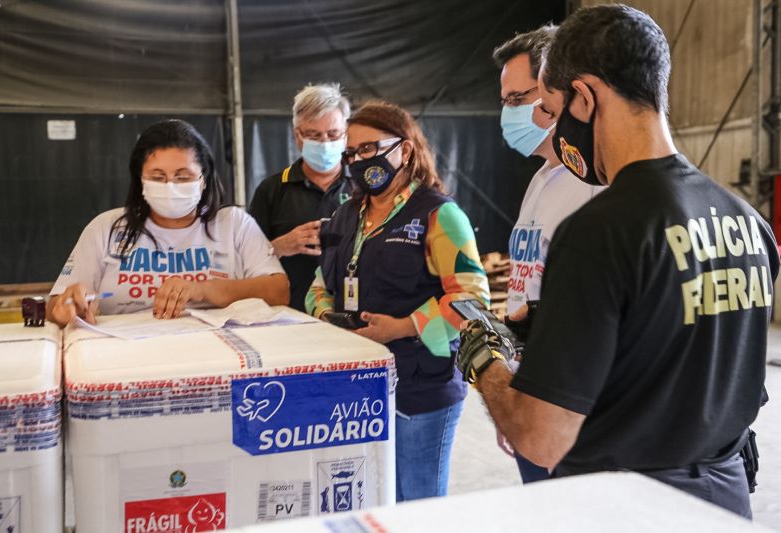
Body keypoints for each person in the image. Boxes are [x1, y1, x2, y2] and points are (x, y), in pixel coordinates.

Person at [457, 4, 778, 519]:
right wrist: (552, 326)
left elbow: (541, 438)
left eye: (555, 109)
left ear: (584, 97)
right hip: (723, 498)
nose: (554, 129)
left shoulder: (598, 231)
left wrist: (483, 362)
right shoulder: (744, 220)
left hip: (625, 507)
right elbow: (690, 341)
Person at [306, 101, 490, 502]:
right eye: (351, 153)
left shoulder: (439, 215)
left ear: (404, 150)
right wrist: (327, 316)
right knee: (370, 501)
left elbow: (471, 299)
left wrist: (402, 327)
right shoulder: (344, 216)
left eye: (369, 149)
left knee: (417, 505)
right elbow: (318, 286)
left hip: (420, 390)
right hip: (356, 390)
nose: (358, 161)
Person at [492, 25, 604, 484]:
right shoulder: (543, 178)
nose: (508, 112)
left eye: (518, 99)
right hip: (534, 391)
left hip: (572, 414)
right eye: (505, 100)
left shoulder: (595, 187)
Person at [48, 119, 289, 327]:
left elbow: (279, 291)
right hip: (126, 355)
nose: (170, 186)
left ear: (203, 180)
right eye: (157, 177)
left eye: (183, 177)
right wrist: (65, 306)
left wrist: (203, 289)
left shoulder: (234, 224)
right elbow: (55, 307)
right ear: (140, 180)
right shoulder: (106, 227)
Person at [249, 83, 355, 311]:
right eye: (314, 135)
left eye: (333, 134)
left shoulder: (363, 187)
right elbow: (243, 263)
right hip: (289, 315)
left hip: (355, 314)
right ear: (297, 136)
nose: (325, 143)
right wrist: (277, 247)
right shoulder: (273, 190)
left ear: (346, 134)